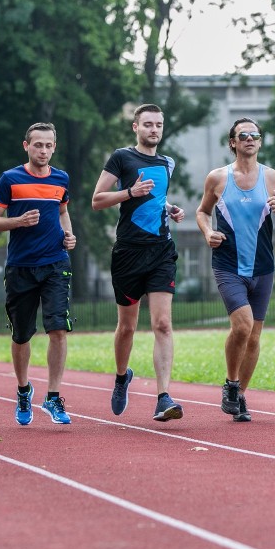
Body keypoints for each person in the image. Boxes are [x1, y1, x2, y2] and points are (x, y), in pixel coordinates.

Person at [196, 118, 275, 422]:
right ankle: (230, 384)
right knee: (241, 327)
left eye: (255, 135)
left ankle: (240, 395)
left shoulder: (273, 179)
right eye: (244, 135)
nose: (250, 139)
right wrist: (206, 232)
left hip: (263, 267)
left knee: (254, 337)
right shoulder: (217, 178)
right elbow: (203, 212)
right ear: (233, 142)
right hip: (228, 265)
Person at [91, 104, 186, 422]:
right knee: (127, 327)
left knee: (162, 324)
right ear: (135, 127)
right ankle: (121, 377)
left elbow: (156, 198)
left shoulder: (167, 163)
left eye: (158, 124)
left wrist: (171, 208)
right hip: (128, 253)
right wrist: (129, 192)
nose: (154, 130)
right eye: (147, 124)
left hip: (161, 251)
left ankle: (163, 397)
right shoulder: (121, 157)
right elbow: (97, 200)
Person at [0, 122, 76, 426]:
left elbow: (63, 211)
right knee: (21, 334)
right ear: (26, 146)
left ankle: (53, 396)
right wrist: (19, 221)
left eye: (49, 145)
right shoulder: (10, 179)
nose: (44, 150)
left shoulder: (61, 178)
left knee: (58, 329)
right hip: (21, 266)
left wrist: (69, 235)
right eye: (38, 145)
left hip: (55, 263)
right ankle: (24, 390)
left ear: (54, 147)